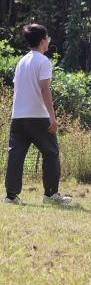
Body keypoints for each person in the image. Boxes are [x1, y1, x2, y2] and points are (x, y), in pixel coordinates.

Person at [4, 24, 71, 205]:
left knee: (16, 156)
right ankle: (50, 194)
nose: (48, 41)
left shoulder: (21, 62)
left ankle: (11, 196)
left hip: (18, 116)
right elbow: (45, 89)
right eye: (47, 38)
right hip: (38, 116)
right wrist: (52, 117)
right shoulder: (43, 61)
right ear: (42, 40)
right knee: (51, 153)